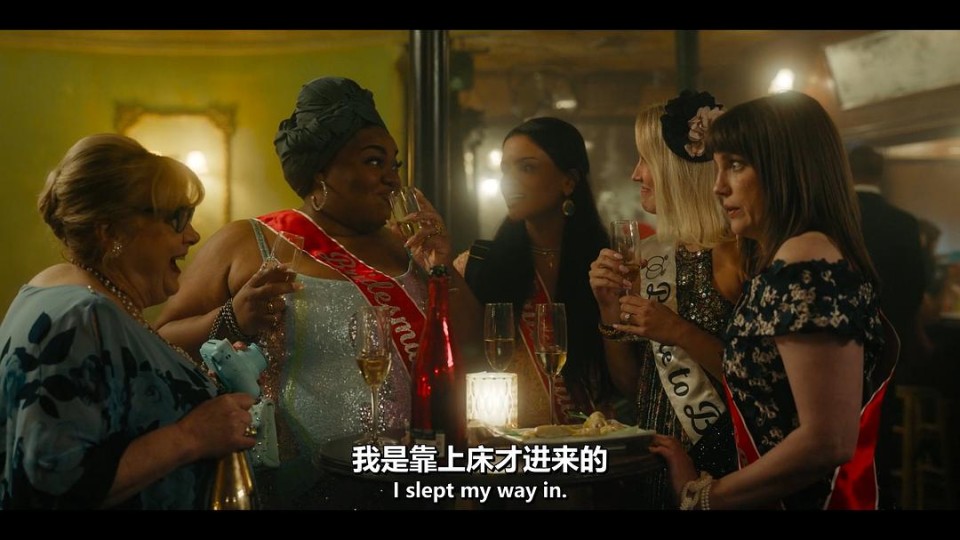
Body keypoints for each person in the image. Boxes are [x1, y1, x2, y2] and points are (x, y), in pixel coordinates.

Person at [156, 76, 481, 509]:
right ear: (321, 171)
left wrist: (441, 269)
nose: (391, 178)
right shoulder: (250, 241)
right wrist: (232, 317)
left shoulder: (409, 249)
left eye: (394, 164)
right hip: (296, 484)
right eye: (373, 161)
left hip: (410, 480)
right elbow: (162, 341)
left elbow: (473, 351)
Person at [649, 91, 896, 510]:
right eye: (717, 166)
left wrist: (706, 497)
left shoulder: (805, 258)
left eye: (735, 165)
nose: (718, 186)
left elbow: (827, 440)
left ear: (788, 169)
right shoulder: (794, 255)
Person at [0, 134, 256, 509]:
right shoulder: (79, 316)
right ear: (112, 232)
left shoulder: (76, 293)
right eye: (177, 219)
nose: (192, 235)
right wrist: (193, 435)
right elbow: (52, 484)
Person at [587, 90, 741, 509]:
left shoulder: (736, 255)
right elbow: (634, 386)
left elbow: (759, 382)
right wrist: (609, 309)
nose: (636, 174)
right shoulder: (651, 257)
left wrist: (678, 331)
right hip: (654, 462)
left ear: (679, 169)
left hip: (722, 470)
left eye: (646, 160)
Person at [454, 117, 622, 427]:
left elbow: (629, 385)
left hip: (591, 443)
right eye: (505, 170)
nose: (508, 182)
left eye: (527, 168)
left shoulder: (605, 266)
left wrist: (610, 310)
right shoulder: (477, 265)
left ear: (568, 181)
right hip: (509, 446)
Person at [848, 145, 927, 507]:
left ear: (848, 172)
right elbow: (916, 285)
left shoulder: (839, 216)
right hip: (890, 340)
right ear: (880, 174)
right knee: (882, 419)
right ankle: (882, 493)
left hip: (841, 336)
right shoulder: (904, 222)